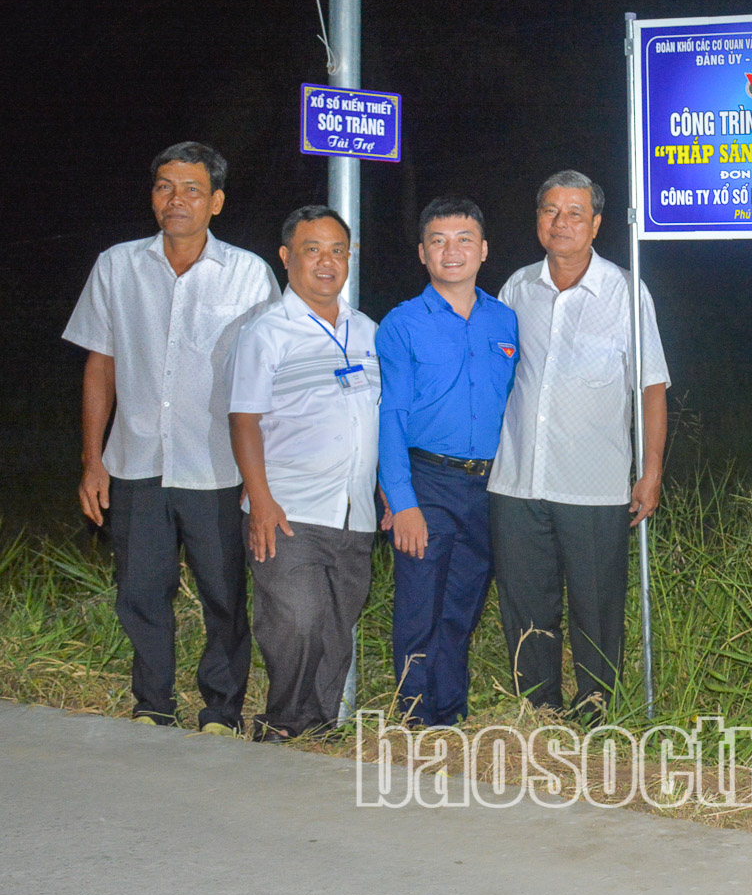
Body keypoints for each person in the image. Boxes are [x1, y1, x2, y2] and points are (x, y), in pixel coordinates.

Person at [62, 142, 278, 732]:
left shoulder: (249, 274)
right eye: (164, 186)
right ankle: (152, 703)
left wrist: (265, 476)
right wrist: (92, 461)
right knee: (140, 592)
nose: (175, 199)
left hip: (217, 466)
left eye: (190, 189)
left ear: (217, 202)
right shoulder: (117, 265)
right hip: (135, 461)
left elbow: (268, 377)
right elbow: (99, 364)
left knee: (224, 596)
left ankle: (222, 710)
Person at [489, 170, 668, 721]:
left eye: (574, 213)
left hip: (593, 484)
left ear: (595, 224)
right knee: (526, 601)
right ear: (538, 219)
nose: (560, 222)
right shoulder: (516, 288)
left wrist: (651, 471)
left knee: (596, 605)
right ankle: (537, 706)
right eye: (550, 210)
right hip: (517, 479)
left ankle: (593, 710)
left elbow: (651, 387)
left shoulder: (625, 290)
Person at [228, 206, 380, 740]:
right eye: (312, 249)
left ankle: (317, 727)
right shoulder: (268, 332)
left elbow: (373, 417)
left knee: (338, 623)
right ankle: (283, 722)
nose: (326, 262)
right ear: (287, 257)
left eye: (338, 250)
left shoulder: (367, 330)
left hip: (354, 510)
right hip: (289, 507)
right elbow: (243, 420)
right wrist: (260, 499)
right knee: (295, 618)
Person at [376, 197, 518, 727]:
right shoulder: (402, 324)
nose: (451, 250)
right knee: (419, 606)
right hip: (427, 480)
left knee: (461, 606)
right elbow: (390, 414)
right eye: (438, 240)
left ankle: (448, 716)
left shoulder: (505, 321)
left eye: (463, 239)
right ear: (422, 253)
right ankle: (412, 716)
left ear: (483, 250)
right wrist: (402, 499)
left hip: (489, 485)